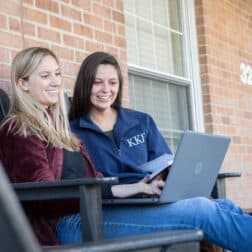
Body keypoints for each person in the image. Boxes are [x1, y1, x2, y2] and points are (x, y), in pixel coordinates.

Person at [67, 51, 252, 252]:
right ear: (86, 84)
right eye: (97, 82)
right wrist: (135, 188)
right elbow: (77, 186)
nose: (106, 89)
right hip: (111, 209)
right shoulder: (72, 132)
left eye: (112, 83)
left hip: (151, 200)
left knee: (225, 205)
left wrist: (171, 182)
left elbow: (165, 162)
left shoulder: (141, 122)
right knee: (201, 210)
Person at [0, 47, 100, 245]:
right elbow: (43, 195)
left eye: (57, 74)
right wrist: (96, 194)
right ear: (23, 84)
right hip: (62, 224)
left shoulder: (62, 131)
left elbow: (93, 179)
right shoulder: (19, 128)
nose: (56, 82)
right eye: (45, 76)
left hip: (91, 213)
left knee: (176, 207)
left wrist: (131, 188)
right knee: (181, 218)